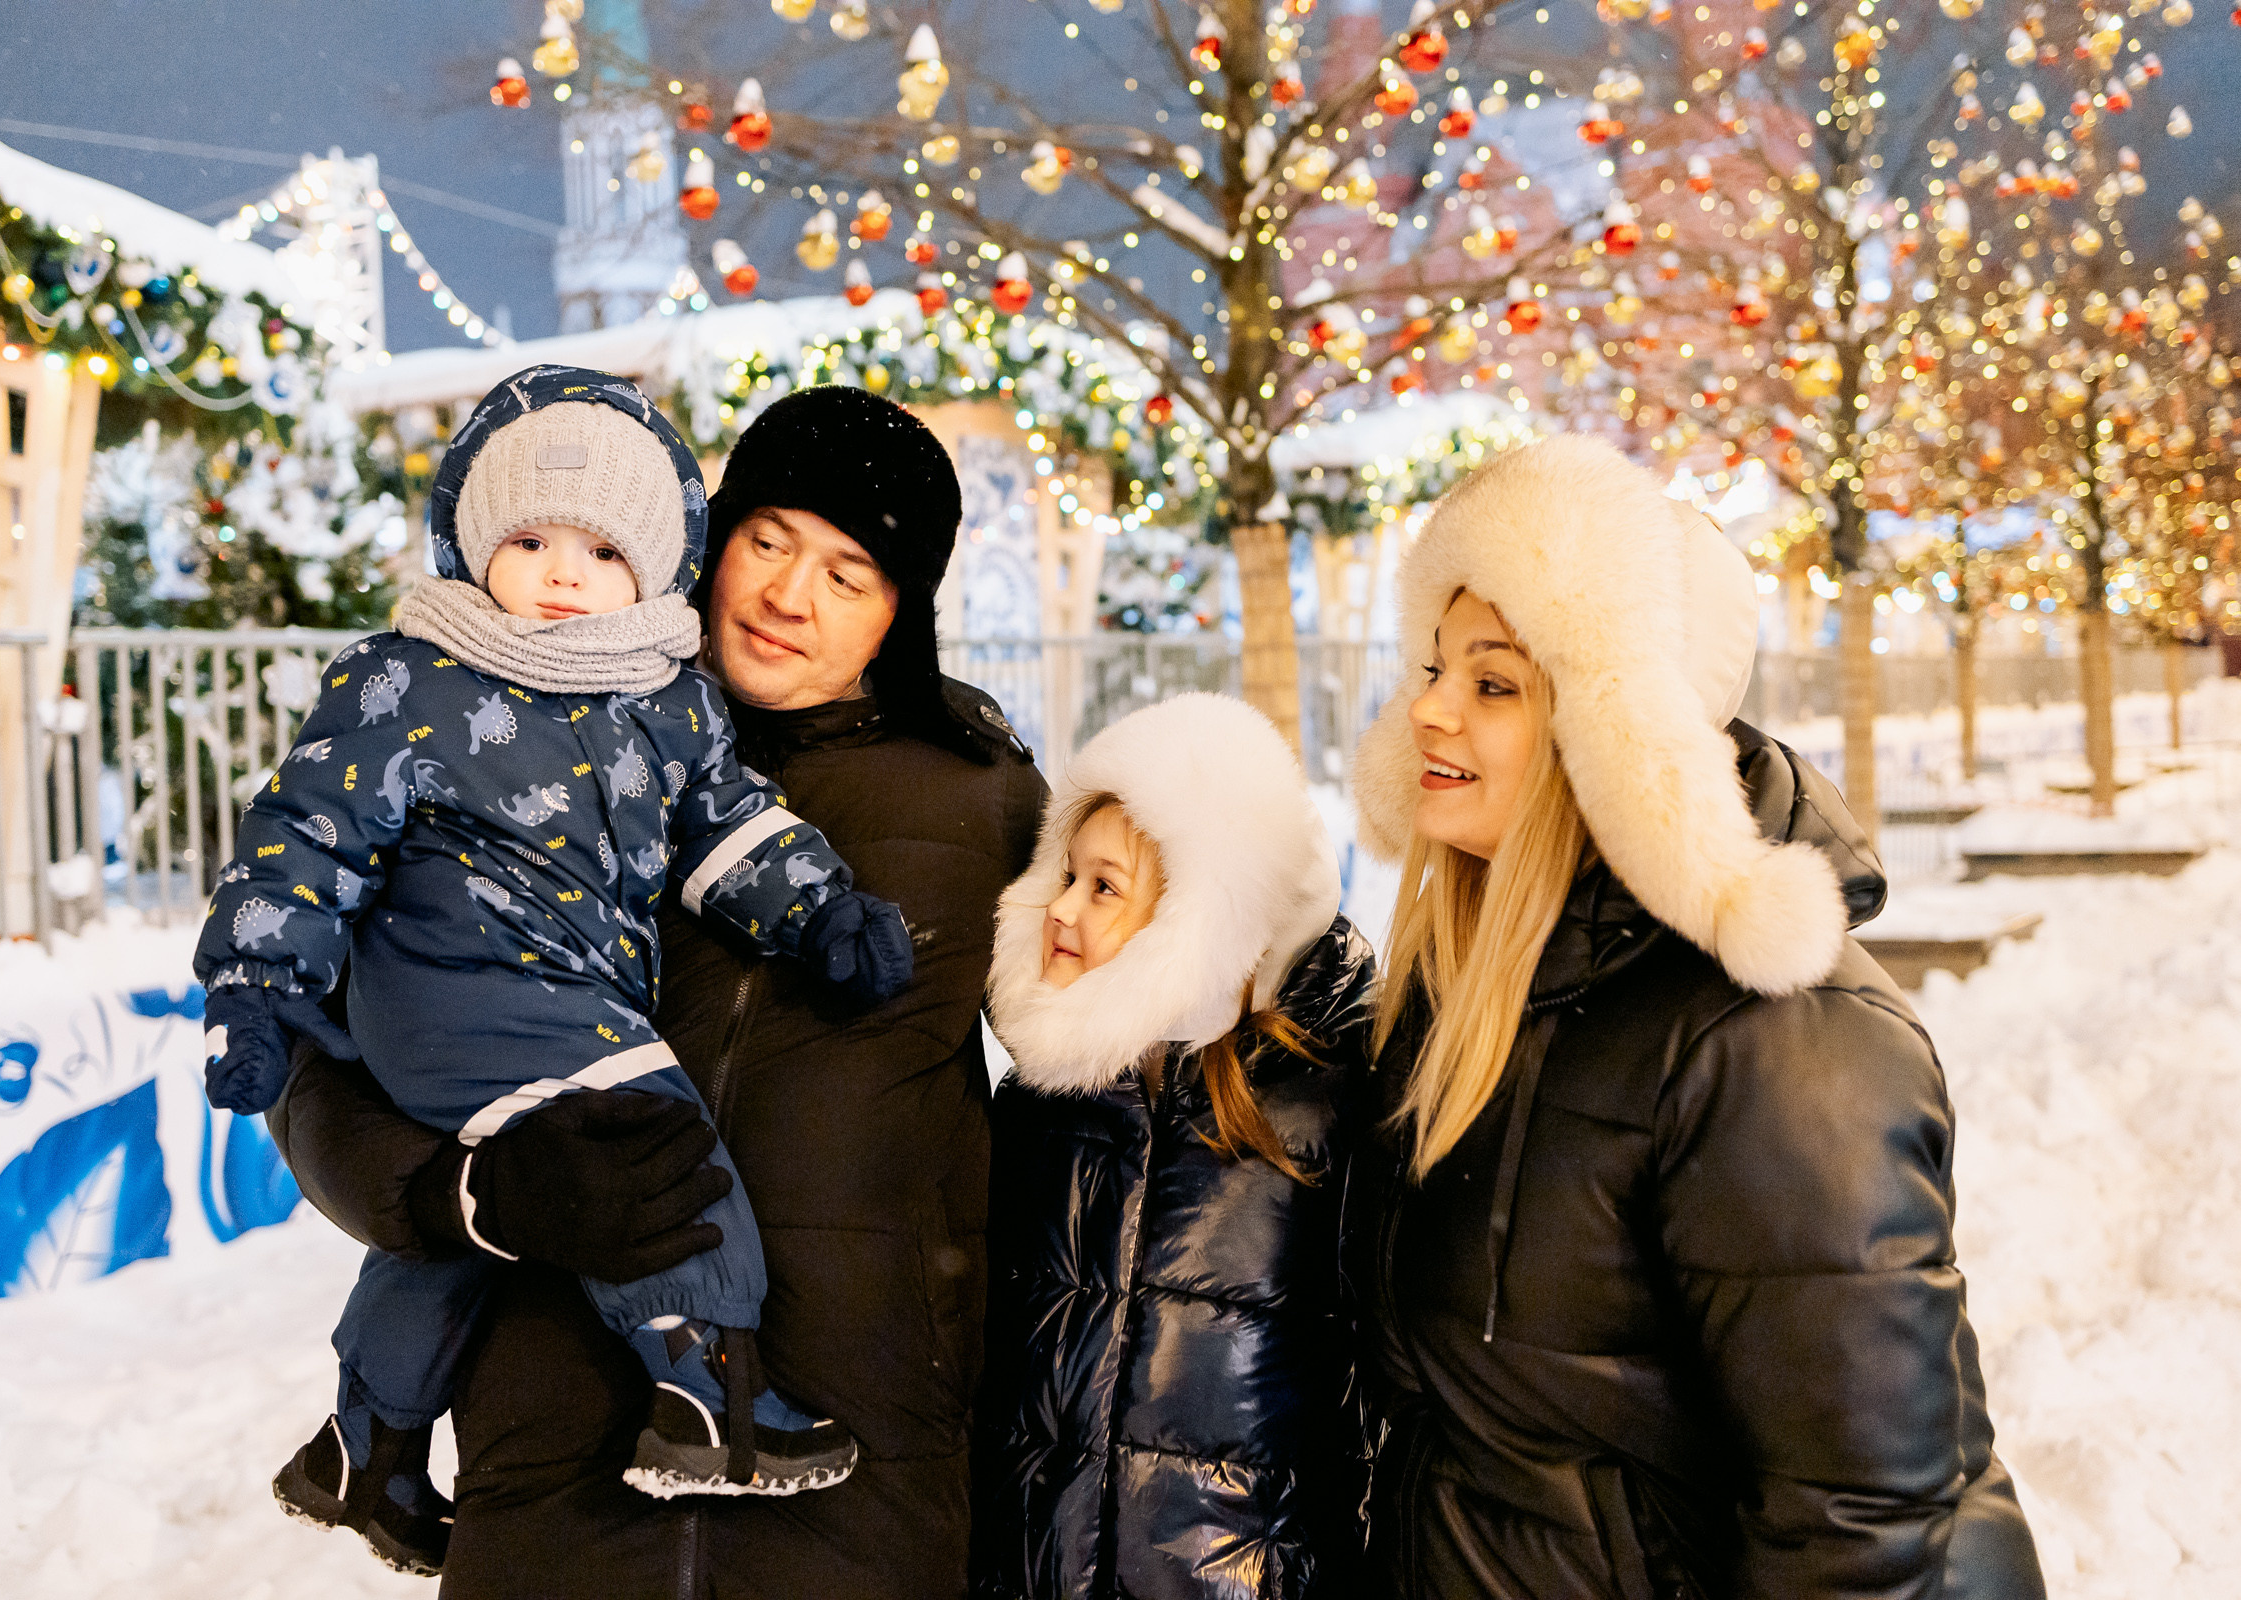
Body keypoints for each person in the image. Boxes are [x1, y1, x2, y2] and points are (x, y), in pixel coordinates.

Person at [266, 382, 1050, 1600]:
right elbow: (320, 1061)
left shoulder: (982, 798)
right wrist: (464, 1195)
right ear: (706, 537)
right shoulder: (494, 736)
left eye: (850, 575)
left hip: (863, 1484)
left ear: (904, 613)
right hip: (558, 1471)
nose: (791, 596)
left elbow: (1115, 1073)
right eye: (770, 542)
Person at [1343, 434, 2046, 1598]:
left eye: (1495, 682)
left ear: (1619, 736)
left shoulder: (1773, 1041)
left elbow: (1872, 1524)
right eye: (1432, 668)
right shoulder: (1464, 994)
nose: (1429, 713)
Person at [975, 692, 1376, 1599]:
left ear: (1203, 920)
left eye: (1104, 887)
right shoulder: (1045, 1104)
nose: (1061, 911)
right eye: (1065, 876)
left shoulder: (1326, 1115)